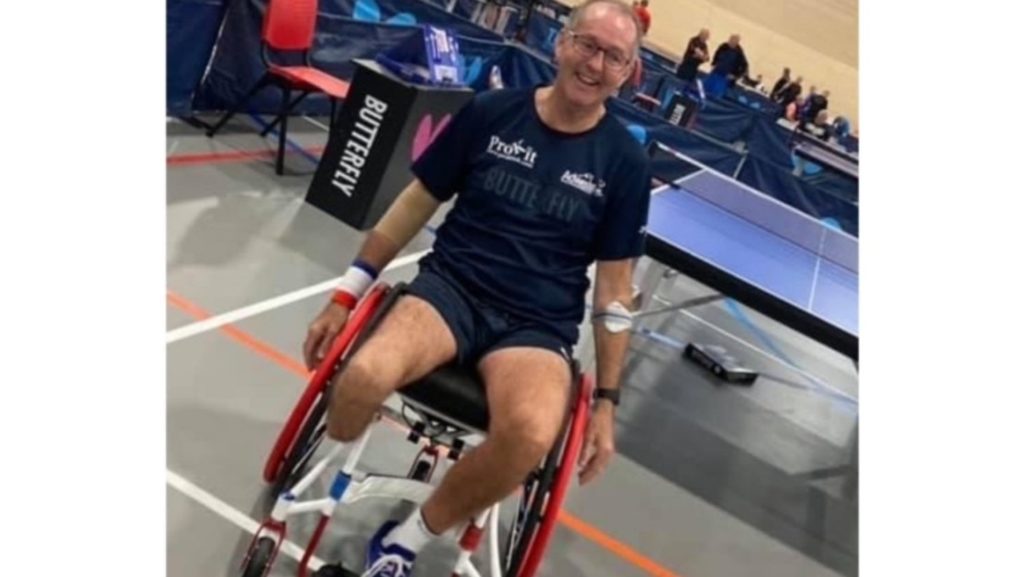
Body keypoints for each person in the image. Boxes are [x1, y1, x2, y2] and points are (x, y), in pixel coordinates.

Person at [303, 1, 651, 576]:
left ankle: (407, 540)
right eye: (587, 44)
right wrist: (347, 292)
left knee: (533, 434)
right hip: (450, 291)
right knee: (361, 378)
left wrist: (608, 406)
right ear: (561, 44)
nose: (596, 64)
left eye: (614, 57)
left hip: (535, 329)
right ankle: (340, 458)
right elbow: (416, 201)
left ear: (628, 73)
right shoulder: (490, 112)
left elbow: (614, 296)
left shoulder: (626, 164)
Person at [706, 34, 748, 98]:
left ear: (737, 42)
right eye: (730, 40)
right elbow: (717, 54)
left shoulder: (739, 53)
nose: (730, 42)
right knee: (706, 89)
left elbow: (745, 66)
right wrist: (713, 63)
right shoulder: (724, 46)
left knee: (716, 95)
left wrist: (735, 76)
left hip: (725, 78)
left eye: (733, 41)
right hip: (715, 73)